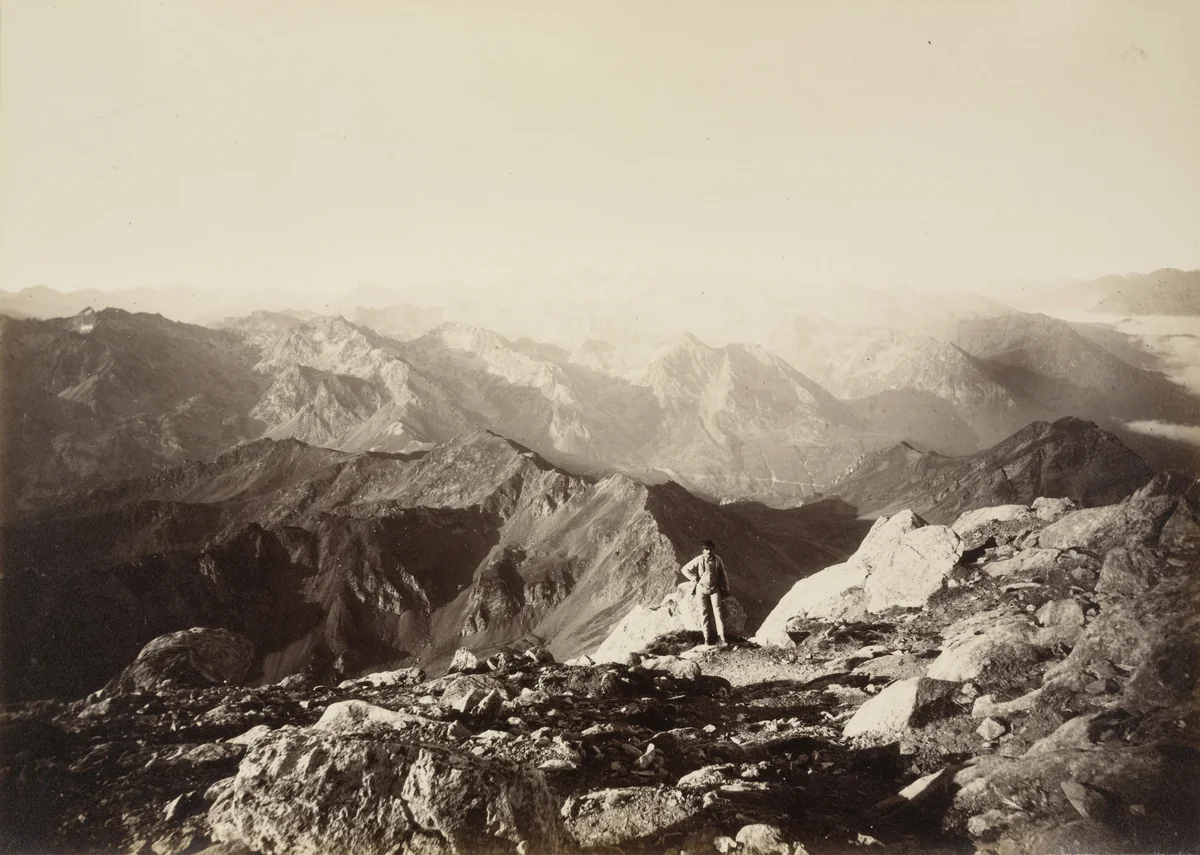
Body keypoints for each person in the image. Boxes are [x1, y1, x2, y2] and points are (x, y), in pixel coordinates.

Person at [679, 539, 730, 645]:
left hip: (715, 589)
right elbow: (684, 569)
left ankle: (722, 637)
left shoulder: (718, 560)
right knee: (704, 613)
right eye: (706, 550)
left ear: (713, 550)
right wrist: (694, 578)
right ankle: (707, 638)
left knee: (718, 612)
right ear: (702, 551)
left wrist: (726, 589)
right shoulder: (698, 560)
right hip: (701, 589)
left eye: (710, 549)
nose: (708, 552)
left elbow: (723, 575)